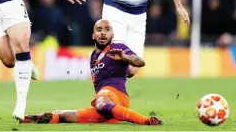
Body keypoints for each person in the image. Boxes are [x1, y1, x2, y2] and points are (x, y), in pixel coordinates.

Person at [19, 19, 162, 125]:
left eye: (107, 30)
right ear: (93, 35)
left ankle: (146, 121)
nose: (103, 33)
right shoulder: (93, 56)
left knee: (100, 104)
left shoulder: (118, 47)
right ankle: (37, 118)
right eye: (99, 30)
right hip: (108, 105)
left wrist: (125, 57)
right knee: (63, 115)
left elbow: (140, 62)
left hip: (116, 95)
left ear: (112, 35)